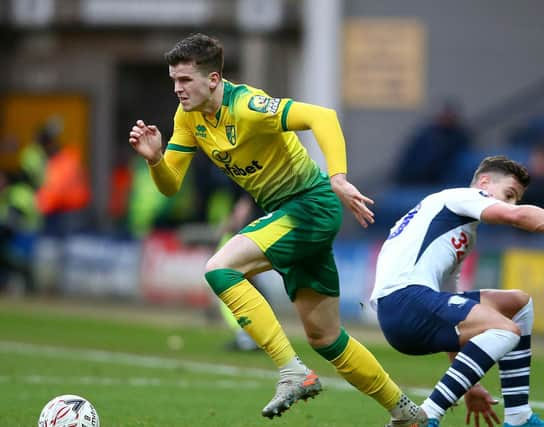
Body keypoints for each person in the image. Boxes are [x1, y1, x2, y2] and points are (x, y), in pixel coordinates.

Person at [128, 33, 426, 426]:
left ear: (213, 79)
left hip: (310, 205)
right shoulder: (188, 118)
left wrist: (338, 177)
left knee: (220, 268)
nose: (177, 89)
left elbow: (323, 117)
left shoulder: (249, 106)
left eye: (185, 80)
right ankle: (408, 414)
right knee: (326, 338)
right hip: (289, 213)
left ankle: (292, 371)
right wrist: (154, 160)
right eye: (174, 81)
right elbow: (170, 185)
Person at [369, 155, 544, 427]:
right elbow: (518, 217)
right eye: (509, 194)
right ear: (484, 182)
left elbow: (450, 316)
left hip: (410, 308)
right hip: (403, 302)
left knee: (518, 303)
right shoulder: (457, 197)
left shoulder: (458, 231)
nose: (511, 204)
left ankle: (519, 417)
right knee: (505, 330)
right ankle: (424, 416)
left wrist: (470, 386)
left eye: (515, 199)